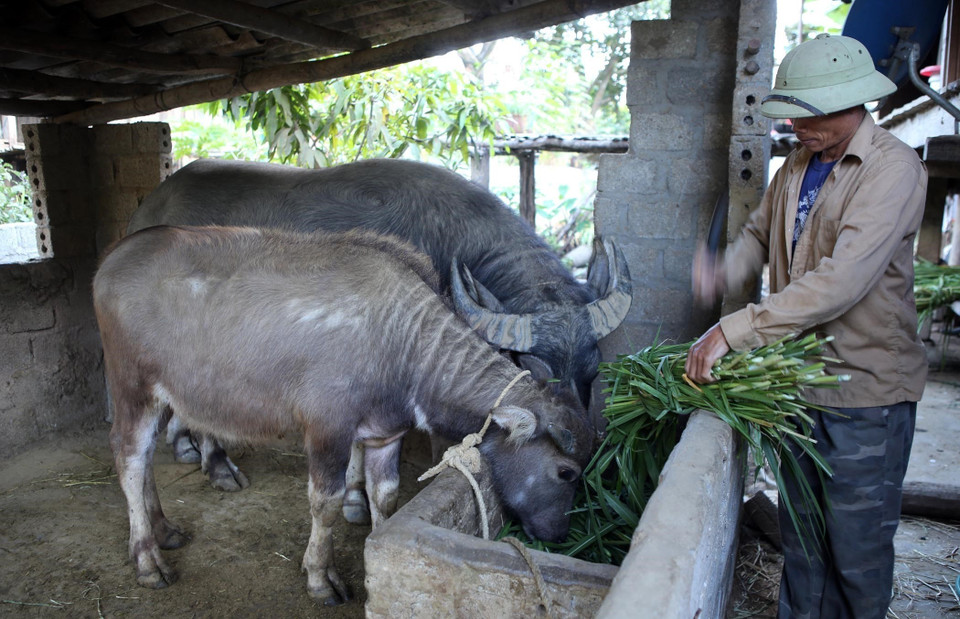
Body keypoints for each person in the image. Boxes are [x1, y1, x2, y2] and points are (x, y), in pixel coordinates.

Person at [685, 33, 928, 619]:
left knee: (856, 547)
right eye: (791, 114)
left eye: (807, 115)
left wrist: (735, 328)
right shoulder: (797, 164)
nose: (796, 126)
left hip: (864, 391)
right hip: (796, 384)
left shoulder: (892, 170)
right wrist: (723, 272)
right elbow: (761, 235)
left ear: (851, 103)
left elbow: (842, 280)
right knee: (802, 538)